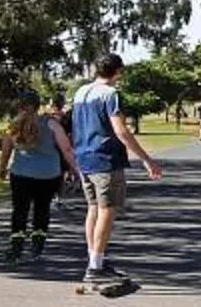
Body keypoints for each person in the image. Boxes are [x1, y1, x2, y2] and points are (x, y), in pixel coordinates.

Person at [70, 53, 164, 284]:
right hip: (105, 158)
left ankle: (95, 261)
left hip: (83, 156)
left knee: (93, 208)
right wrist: (146, 159)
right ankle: (95, 267)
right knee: (107, 210)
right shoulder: (110, 94)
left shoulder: (81, 92)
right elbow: (120, 130)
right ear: (118, 71)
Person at [0, 90, 78, 264]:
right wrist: (75, 169)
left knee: (20, 209)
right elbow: (66, 148)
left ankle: (16, 247)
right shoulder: (52, 124)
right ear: (38, 105)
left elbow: (5, 151)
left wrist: (2, 169)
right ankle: (37, 245)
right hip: (49, 174)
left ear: (19, 106)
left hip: (21, 174)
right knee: (42, 208)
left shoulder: (13, 126)